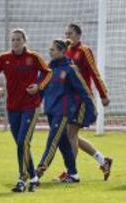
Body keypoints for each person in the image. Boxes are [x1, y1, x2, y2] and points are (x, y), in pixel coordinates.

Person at [0, 28, 52, 192]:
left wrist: (38, 87)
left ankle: (22, 180)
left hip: (31, 106)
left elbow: (48, 73)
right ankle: (34, 177)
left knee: (23, 141)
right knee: (21, 144)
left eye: (18, 39)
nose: (15, 42)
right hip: (12, 107)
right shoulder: (4, 58)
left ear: (24, 41)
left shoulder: (33, 57)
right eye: (13, 40)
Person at [36, 39, 97, 184]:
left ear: (62, 51)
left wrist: (91, 109)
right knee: (63, 143)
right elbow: (40, 88)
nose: (50, 52)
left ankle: (37, 173)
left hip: (63, 112)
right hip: (50, 111)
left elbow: (84, 91)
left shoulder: (70, 69)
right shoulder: (48, 69)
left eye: (53, 49)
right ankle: (73, 174)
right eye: (50, 49)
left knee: (52, 141)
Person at [62, 23, 112, 181]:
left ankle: (71, 173)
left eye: (70, 33)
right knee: (72, 135)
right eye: (66, 33)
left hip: (82, 99)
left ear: (78, 34)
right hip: (69, 99)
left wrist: (103, 94)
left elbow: (94, 73)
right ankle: (103, 161)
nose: (67, 36)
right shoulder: (66, 51)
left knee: (70, 134)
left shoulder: (84, 51)